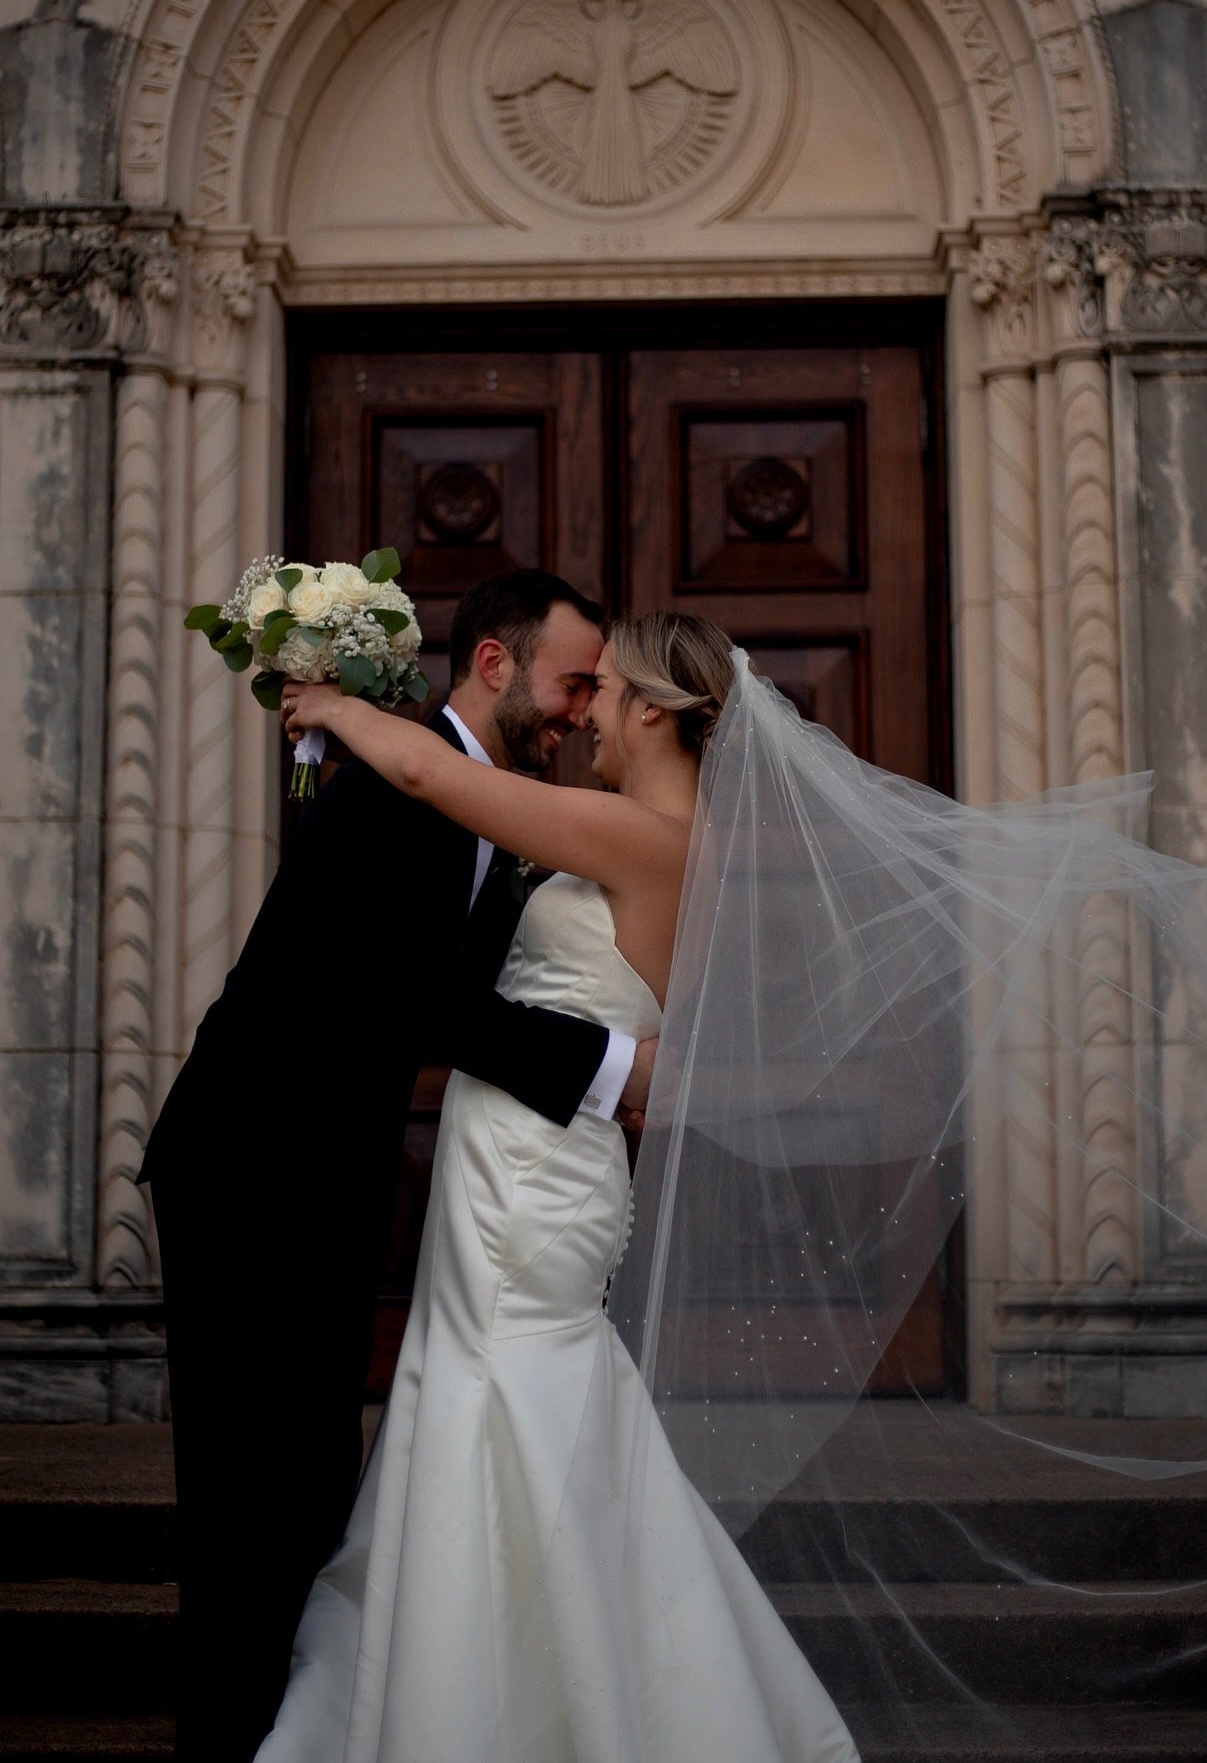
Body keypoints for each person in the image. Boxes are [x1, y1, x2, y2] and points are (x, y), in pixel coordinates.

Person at [260, 612, 861, 1762]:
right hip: (536, 1161)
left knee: (507, 1406)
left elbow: (435, 771)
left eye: (605, 693)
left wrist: (330, 708)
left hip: (531, 1180)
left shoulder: (642, 836)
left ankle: (494, 1710)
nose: (583, 713)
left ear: (650, 713)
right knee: (513, 1409)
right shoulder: (649, 836)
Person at [141, 571, 657, 1761]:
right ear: (492, 663)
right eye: (573, 682)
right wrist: (618, 1070)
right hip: (250, 1170)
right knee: (248, 1495)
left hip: (320, 1176)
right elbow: (418, 999)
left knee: (311, 1480)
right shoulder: (395, 779)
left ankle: (288, 1732)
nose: (582, 710)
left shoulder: (473, 791)